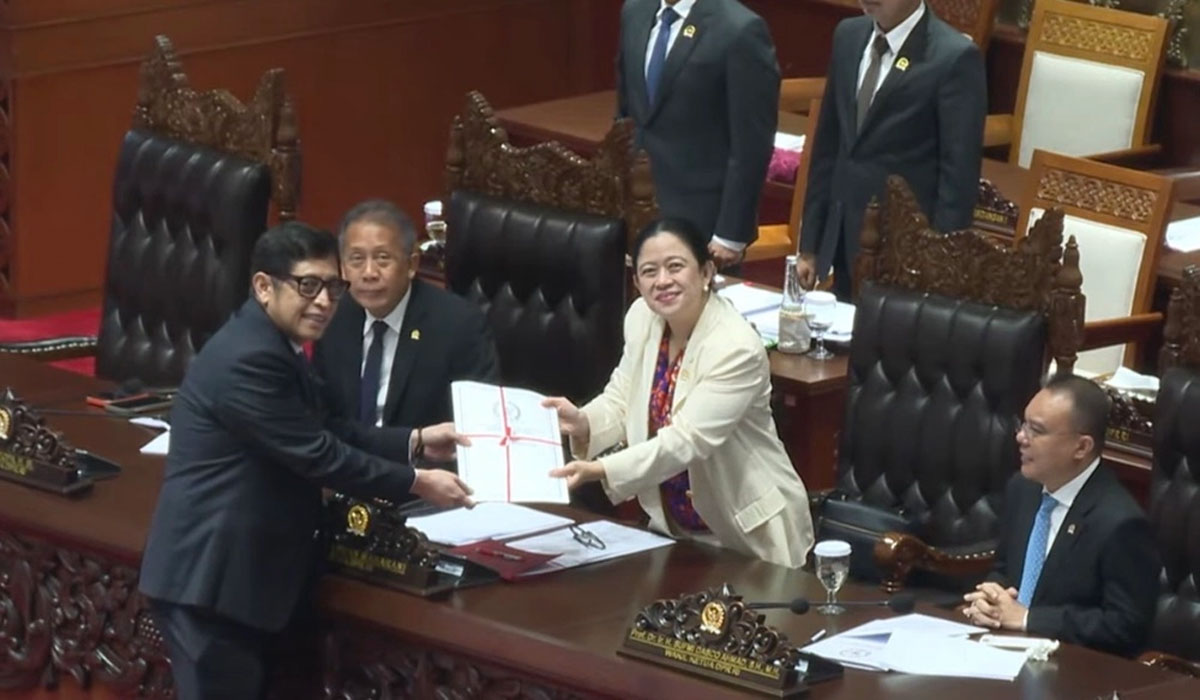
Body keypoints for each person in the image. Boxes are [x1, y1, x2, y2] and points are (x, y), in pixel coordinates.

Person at [139, 222, 475, 700]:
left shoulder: (274, 344)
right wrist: (417, 482)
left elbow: (327, 427)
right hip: (212, 584)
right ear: (264, 286)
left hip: (245, 581)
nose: (323, 302)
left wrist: (415, 441)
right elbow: (317, 454)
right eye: (308, 286)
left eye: (333, 288)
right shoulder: (249, 357)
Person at [543, 218, 814, 568]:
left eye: (675, 267)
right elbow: (623, 396)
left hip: (746, 536)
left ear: (706, 273)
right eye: (649, 271)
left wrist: (600, 469)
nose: (662, 281)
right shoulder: (642, 317)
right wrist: (583, 422)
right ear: (636, 282)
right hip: (674, 529)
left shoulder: (736, 348)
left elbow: (685, 441)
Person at [795, 0, 987, 299]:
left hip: (905, 255)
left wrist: (938, 269)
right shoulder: (848, 35)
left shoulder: (954, 57)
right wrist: (810, 244)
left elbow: (958, 178)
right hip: (842, 239)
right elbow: (828, 146)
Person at [963, 374, 1159, 657]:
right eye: (1023, 425)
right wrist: (992, 598)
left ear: (1082, 447)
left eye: (1036, 431)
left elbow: (1125, 626)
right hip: (1002, 649)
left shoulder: (1121, 523)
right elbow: (1006, 568)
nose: (1021, 438)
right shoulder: (1023, 488)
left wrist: (1028, 618)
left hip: (1074, 665)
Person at [616, 0, 780, 269]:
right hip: (635, 211)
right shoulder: (635, 11)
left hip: (700, 222)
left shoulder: (739, 29)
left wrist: (730, 234)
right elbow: (625, 113)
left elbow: (752, 144)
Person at [313, 199, 498, 429]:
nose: (369, 273)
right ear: (342, 267)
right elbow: (321, 412)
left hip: (423, 452)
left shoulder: (459, 326)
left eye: (382, 258)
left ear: (412, 265)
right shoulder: (333, 312)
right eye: (357, 259)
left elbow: (477, 424)